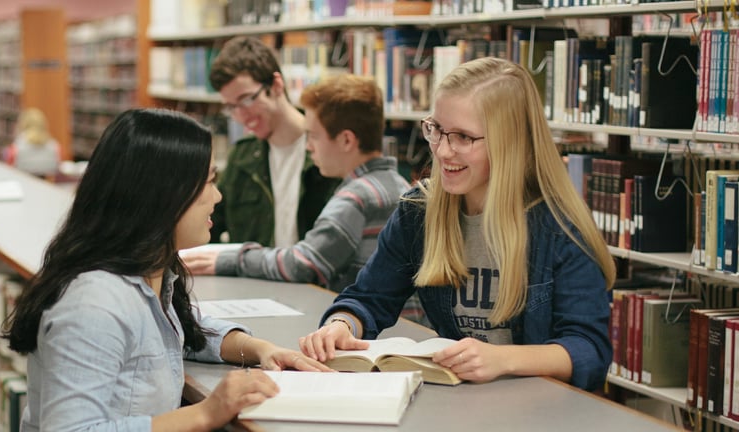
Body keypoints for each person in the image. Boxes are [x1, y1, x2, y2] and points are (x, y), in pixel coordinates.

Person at [1, 108, 331, 431]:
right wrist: (206, 413)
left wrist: (260, 349)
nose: (217, 196)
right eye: (209, 181)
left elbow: (179, 332)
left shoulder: (147, 273)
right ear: (164, 194)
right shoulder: (94, 305)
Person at [298, 57, 616, 391]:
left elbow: (590, 352)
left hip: (540, 409)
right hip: (461, 401)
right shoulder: (419, 213)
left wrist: (501, 359)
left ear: (509, 142)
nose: (443, 151)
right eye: (436, 130)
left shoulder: (558, 228)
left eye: (464, 137)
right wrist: (341, 325)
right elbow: (368, 298)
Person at [184, 74, 410, 293]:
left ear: (346, 140)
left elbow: (305, 263)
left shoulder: (357, 197)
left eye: (313, 136)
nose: (308, 146)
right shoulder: (400, 185)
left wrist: (231, 260)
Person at [208, 36, 340, 247]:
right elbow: (210, 226)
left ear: (276, 85)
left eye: (247, 99)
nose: (241, 116)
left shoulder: (327, 150)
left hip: (314, 280)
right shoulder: (241, 157)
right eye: (231, 107)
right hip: (254, 280)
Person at [5, 107, 61, 179]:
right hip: (47, 185)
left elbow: (9, 168)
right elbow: (57, 167)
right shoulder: (55, 146)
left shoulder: (16, 146)